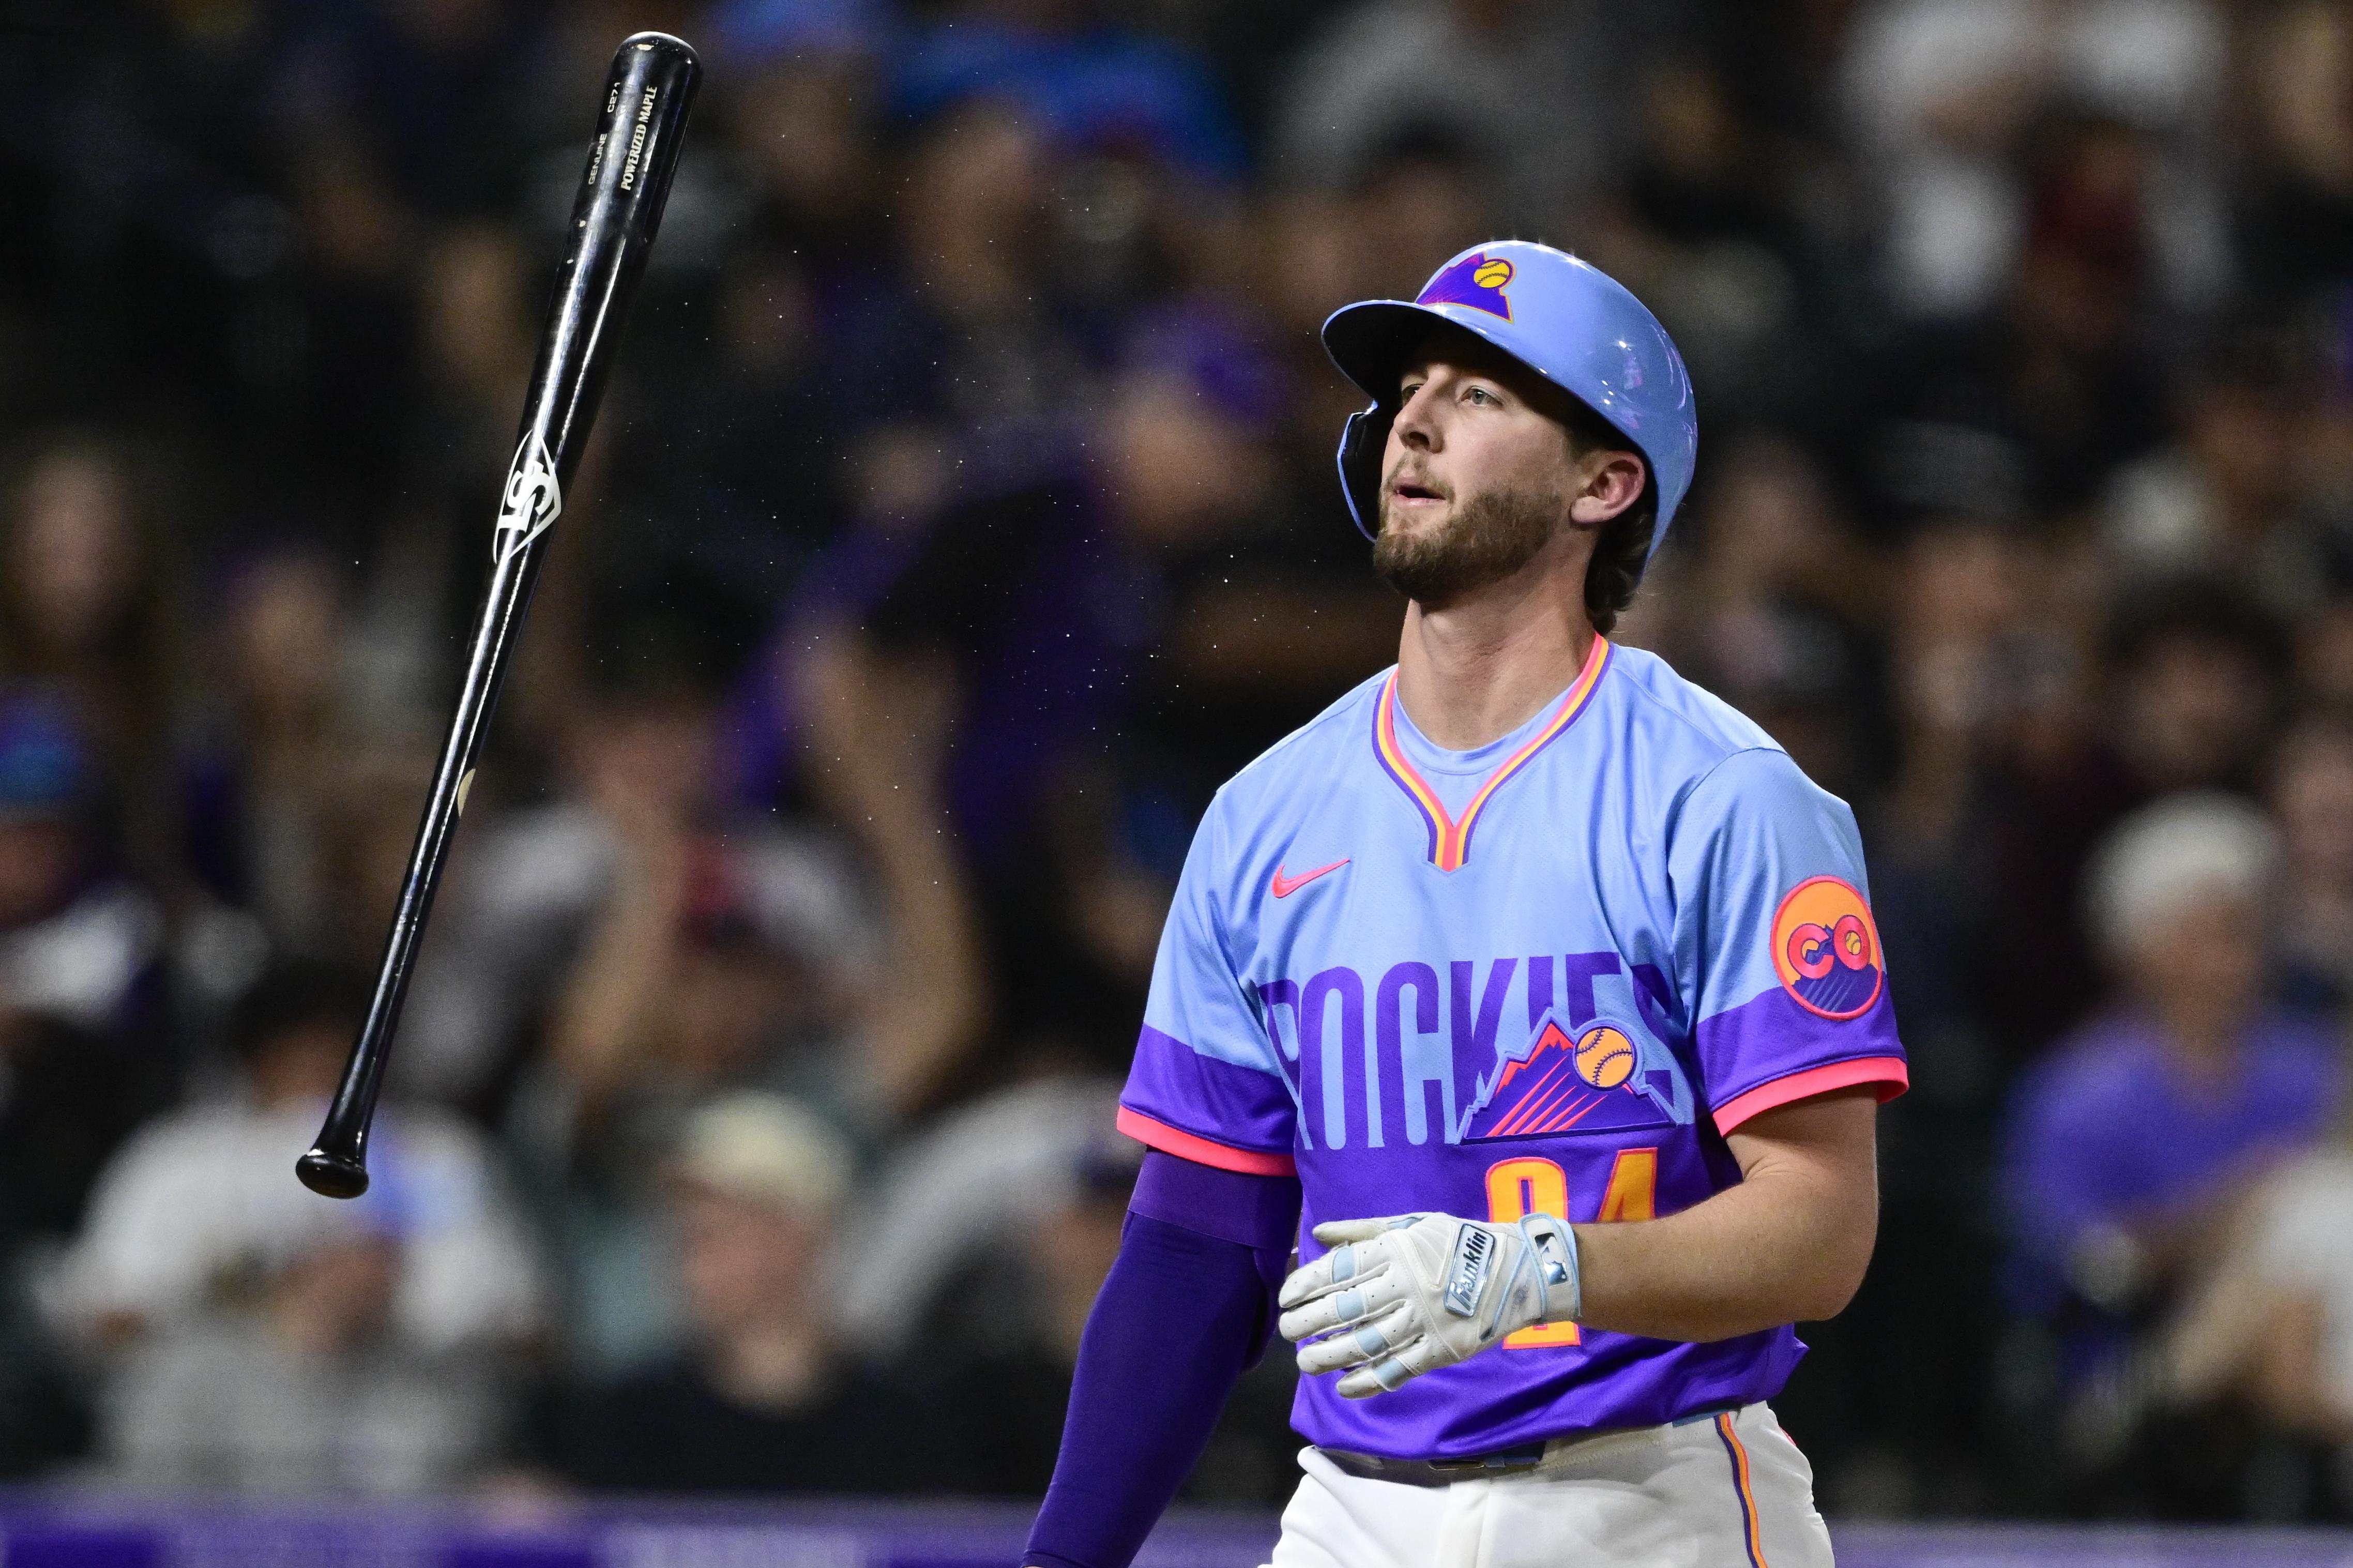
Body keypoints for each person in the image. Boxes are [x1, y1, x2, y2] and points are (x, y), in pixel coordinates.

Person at [1021, 241, 1907, 1568]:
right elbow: (1198, 1243)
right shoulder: (1266, 815)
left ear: (1604, 482)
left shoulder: (1722, 796)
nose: (1414, 421)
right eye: (1410, 391)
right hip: (1350, 1508)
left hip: (1647, 1497)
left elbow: (1820, 1231)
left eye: (1481, 392)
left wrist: (1538, 1270)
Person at [549, 1092, 942, 1495]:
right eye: (683, 1234)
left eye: (711, 1233)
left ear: (799, 1238)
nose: (687, 1259)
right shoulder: (633, 1420)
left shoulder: (903, 1421)